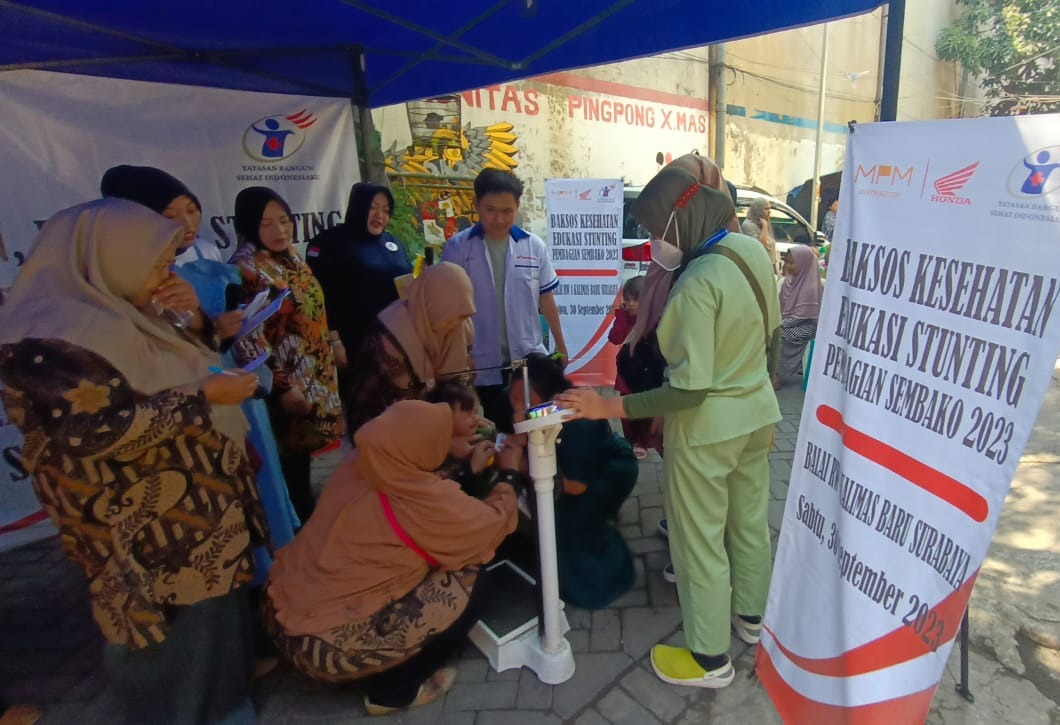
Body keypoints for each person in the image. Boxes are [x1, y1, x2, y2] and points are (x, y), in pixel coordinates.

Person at [0, 199, 269, 723]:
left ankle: (224, 704)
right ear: (110, 255)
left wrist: (193, 321)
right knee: (166, 641)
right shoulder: (47, 337)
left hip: (197, 519)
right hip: (140, 535)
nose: (164, 275)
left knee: (209, 629)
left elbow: (186, 361)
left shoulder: (126, 311)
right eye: (157, 264)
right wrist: (203, 398)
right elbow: (90, 432)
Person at [557, 166, 781, 689]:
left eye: (660, 230)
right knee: (748, 522)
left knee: (698, 540)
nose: (656, 243)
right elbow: (771, 332)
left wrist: (606, 408)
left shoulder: (695, 286)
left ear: (684, 219)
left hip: (706, 431)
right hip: (757, 416)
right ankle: (753, 619)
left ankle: (708, 659)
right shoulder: (750, 251)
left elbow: (688, 390)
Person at [262, 400, 521, 715]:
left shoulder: (359, 464)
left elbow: (410, 482)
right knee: (473, 578)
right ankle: (394, 690)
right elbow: (489, 525)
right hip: (327, 649)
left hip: (278, 614)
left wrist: (463, 467)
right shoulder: (424, 502)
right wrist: (509, 473)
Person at [101, 164, 300, 561]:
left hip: (231, 386)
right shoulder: (121, 284)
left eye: (191, 209)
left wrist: (212, 326)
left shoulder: (205, 256)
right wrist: (211, 331)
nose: (186, 223)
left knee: (258, 477)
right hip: (190, 405)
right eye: (169, 215)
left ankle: (274, 563)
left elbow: (198, 330)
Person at [232, 187, 343, 523]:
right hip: (284, 383)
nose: (279, 230)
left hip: (314, 373)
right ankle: (296, 530)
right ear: (250, 225)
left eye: (284, 221)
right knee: (288, 461)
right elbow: (251, 337)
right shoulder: (247, 269)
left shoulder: (292, 257)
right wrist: (283, 387)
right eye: (267, 223)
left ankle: (307, 517)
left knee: (306, 456)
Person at [441, 169, 566, 432]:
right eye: (491, 210)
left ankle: (538, 472)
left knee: (537, 425)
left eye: (507, 211)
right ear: (477, 206)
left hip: (528, 356)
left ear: (517, 207)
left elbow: (546, 298)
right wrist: (462, 354)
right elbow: (450, 307)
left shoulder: (533, 246)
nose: (499, 218)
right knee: (500, 425)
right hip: (481, 359)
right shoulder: (458, 248)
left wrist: (561, 345)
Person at [510, 353, 638, 609]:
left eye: (521, 400)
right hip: (579, 471)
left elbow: (577, 485)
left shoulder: (576, 420)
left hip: (607, 475)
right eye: (512, 400)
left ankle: (599, 569)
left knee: (567, 520)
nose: (516, 409)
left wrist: (519, 466)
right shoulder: (539, 411)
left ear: (547, 394)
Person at [344, 261, 476, 439]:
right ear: (431, 303)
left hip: (434, 424)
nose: (454, 323)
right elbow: (402, 412)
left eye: (461, 315)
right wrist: (448, 436)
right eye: (448, 313)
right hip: (380, 430)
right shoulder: (390, 335)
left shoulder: (460, 326)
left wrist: (468, 418)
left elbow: (459, 384)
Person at [305, 183, 412, 364]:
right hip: (352, 343)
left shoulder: (394, 243)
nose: (380, 215)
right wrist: (335, 341)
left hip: (394, 341)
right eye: (372, 207)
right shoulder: (329, 242)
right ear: (358, 206)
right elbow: (320, 296)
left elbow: (406, 286)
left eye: (386, 210)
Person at [608, 275, 666, 459]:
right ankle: (634, 442)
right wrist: (620, 316)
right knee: (628, 412)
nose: (630, 303)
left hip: (649, 375)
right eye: (627, 299)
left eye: (636, 299)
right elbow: (615, 338)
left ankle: (651, 441)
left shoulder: (656, 319)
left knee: (649, 410)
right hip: (628, 375)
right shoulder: (625, 318)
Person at [776, 245, 823, 388]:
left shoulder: (811, 287)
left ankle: (775, 374)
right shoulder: (788, 281)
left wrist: (777, 325)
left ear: (803, 263)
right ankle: (771, 373)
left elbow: (801, 317)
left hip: (807, 326)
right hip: (789, 323)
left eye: (792, 263)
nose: (788, 266)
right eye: (787, 262)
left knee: (778, 335)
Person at [741, 197, 778, 274]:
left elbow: (772, 251)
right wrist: (764, 226)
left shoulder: (765, 221)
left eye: (769, 209)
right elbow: (760, 245)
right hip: (758, 269)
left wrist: (775, 272)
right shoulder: (748, 225)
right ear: (758, 209)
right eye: (766, 209)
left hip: (769, 268)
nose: (769, 212)